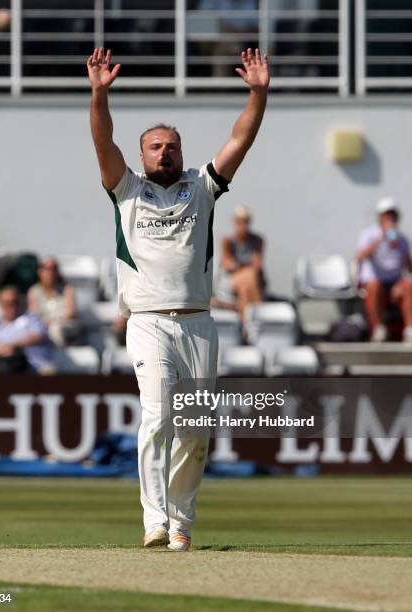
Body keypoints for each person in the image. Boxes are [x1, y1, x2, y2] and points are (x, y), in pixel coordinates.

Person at [87, 45, 269, 550]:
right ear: (141, 155)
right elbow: (103, 141)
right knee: (158, 417)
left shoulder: (202, 188)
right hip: (147, 321)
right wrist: (99, 96)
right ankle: (155, 521)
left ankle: (182, 525)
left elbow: (240, 139)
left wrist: (258, 94)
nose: (165, 152)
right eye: (155, 147)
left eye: (172, 146)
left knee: (194, 431)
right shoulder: (125, 189)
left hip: (199, 323)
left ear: (182, 153)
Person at [357, 197, 412, 343]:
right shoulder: (369, 234)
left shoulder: (402, 239)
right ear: (380, 217)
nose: (391, 218)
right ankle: (378, 329)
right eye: (387, 215)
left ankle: (409, 331)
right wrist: (380, 239)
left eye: (393, 215)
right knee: (374, 286)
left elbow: (409, 268)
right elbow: (360, 257)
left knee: (408, 285)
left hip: (395, 281)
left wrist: (404, 251)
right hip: (375, 281)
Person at [0, 286, 54, 375]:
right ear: (0, 305)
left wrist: (13, 346)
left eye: (14, 302)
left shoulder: (31, 318)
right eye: (6, 303)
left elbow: (38, 335)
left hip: (35, 369)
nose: (11, 306)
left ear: (19, 303)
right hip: (5, 369)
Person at [217, 205, 266, 317]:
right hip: (233, 280)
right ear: (234, 222)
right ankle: (258, 319)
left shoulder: (258, 240)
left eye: (245, 221)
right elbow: (228, 264)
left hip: (247, 281)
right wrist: (245, 267)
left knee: (244, 288)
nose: (242, 225)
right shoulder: (227, 241)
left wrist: (239, 266)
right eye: (239, 221)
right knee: (249, 276)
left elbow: (257, 264)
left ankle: (245, 325)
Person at [28, 256, 80, 347]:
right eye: (47, 268)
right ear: (40, 272)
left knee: (55, 329)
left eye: (54, 268)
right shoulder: (33, 291)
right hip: (42, 327)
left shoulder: (67, 289)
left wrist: (53, 322)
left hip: (64, 327)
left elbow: (70, 313)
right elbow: (34, 315)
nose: (51, 272)